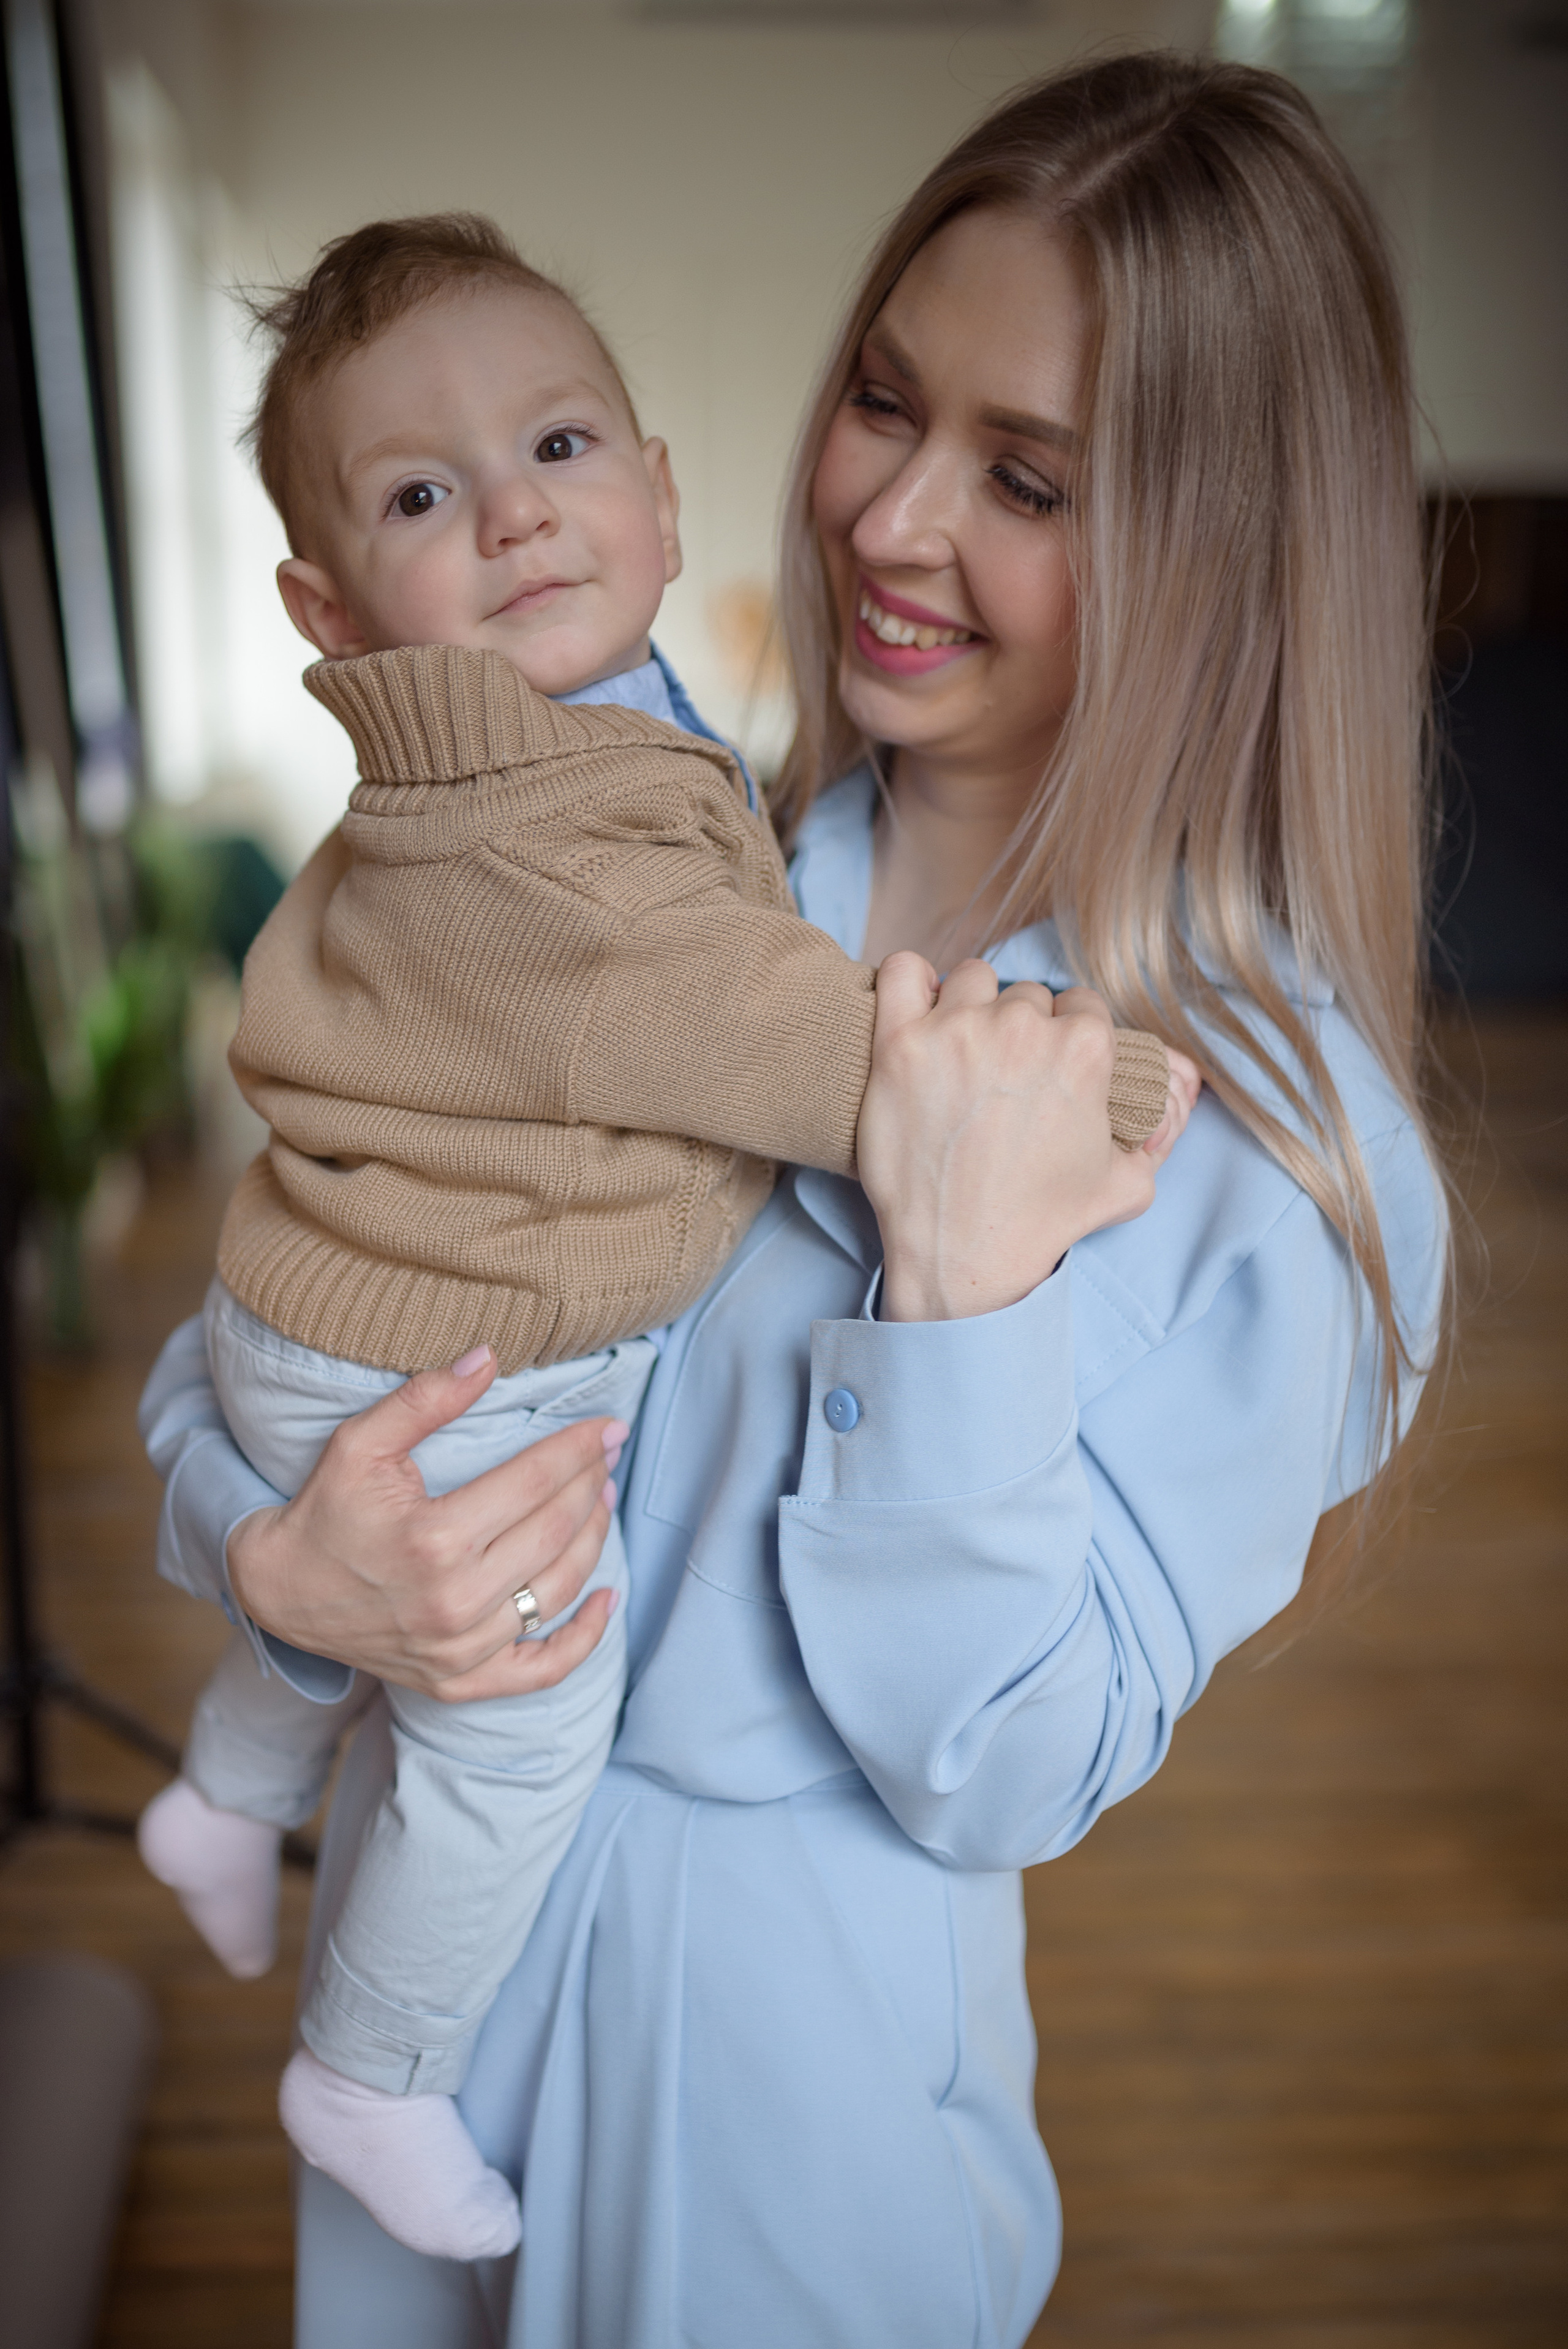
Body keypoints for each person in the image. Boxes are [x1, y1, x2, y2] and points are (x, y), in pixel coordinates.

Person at [139, 51, 1449, 2348]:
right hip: (434, 1951)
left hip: (767, 2080)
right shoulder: (651, 859)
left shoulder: (1276, 1150)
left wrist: (955, 1290)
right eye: (881, 401)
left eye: (1024, 476)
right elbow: (308, 1278)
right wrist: (273, 1556)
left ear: (1222, 542)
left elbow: (1007, 1760)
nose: (888, 515)